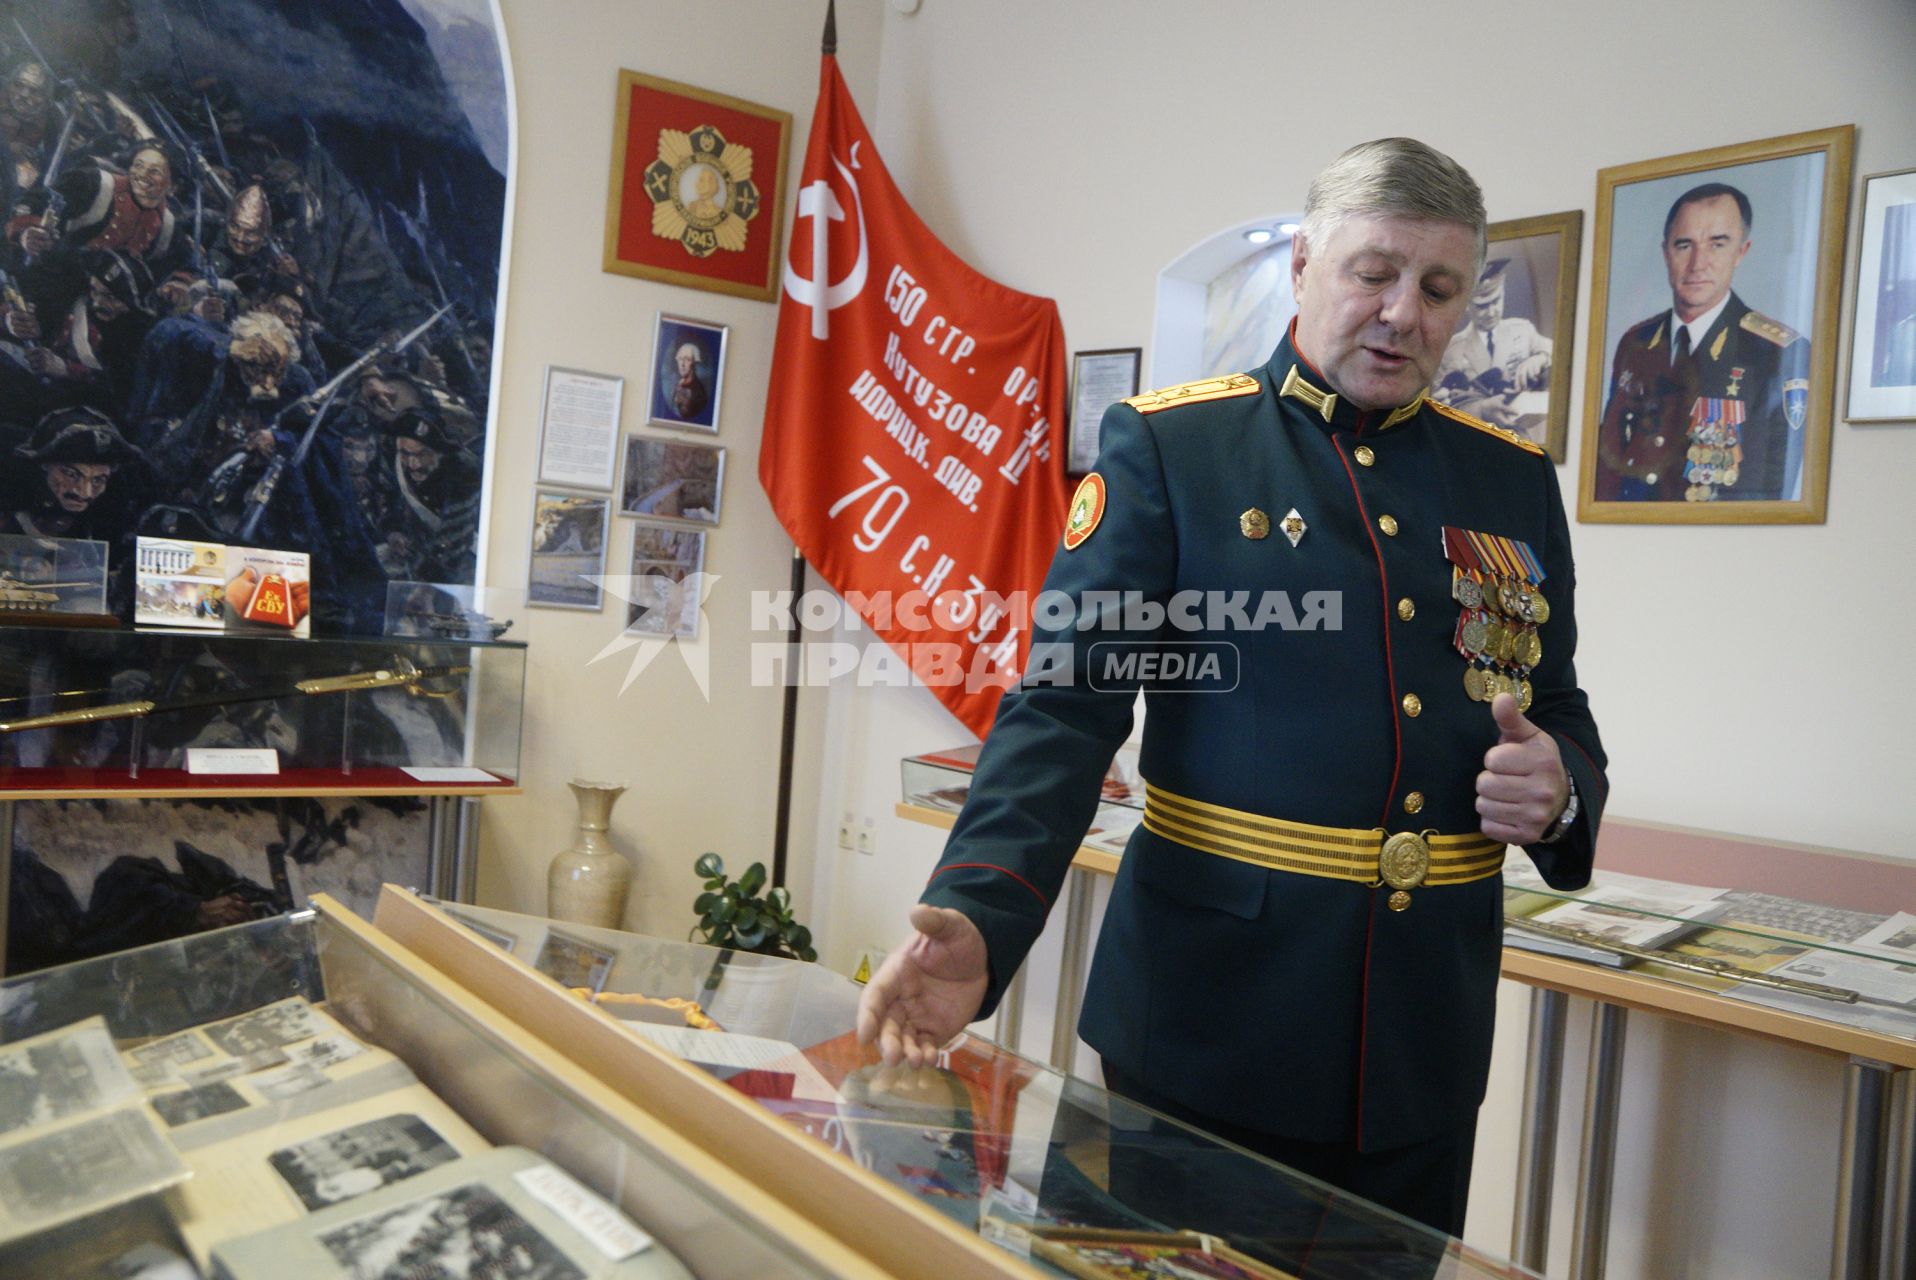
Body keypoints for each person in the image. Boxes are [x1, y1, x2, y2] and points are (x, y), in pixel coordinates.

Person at [856, 138, 1607, 1238]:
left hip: (1419, 1042)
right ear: (1305, 264)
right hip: (1207, 1028)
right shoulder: (1177, 447)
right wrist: (978, 910)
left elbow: (1557, 701)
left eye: (1436, 287)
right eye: (1373, 271)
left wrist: (1560, 786)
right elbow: (1063, 708)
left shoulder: (1506, 479)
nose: (1402, 311)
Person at [1593, 182, 1811, 503]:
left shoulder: (1779, 354)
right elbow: (1608, 466)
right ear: (1665, 253)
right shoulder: (1636, 343)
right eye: (1684, 245)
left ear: (1741, 252)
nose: (1698, 263)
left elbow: (1766, 494)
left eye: (1717, 244)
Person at [1431, 258, 1551, 437]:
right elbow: (1438, 408)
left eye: (1496, 301)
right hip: (1473, 440)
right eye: (1482, 306)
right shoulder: (1450, 350)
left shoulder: (1522, 329)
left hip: (1520, 438)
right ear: (1467, 306)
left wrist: (1540, 358)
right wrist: (1479, 409)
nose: (1492, 311)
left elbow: (1556, 352)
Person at [667, 338, 711, 423]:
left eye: (687, 359)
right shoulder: (677, 384)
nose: (682, 364)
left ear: (694, 363)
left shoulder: (697, 391)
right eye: (680, 359)